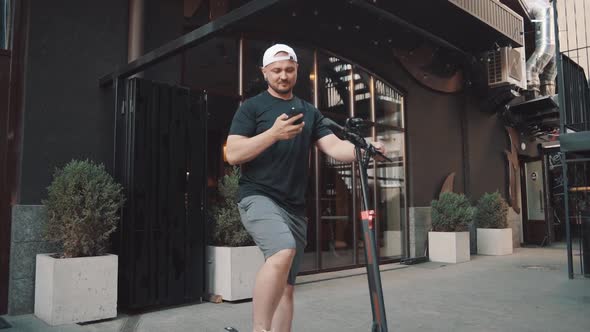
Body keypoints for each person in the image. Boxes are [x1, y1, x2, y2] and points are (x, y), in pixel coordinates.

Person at [225, 43, 385, 332]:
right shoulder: (252, 108)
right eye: (276, 71)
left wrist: (365, 149)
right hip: (258, 196)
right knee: (282, 251)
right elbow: (233, 154)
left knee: (286, 288)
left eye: (288, 69)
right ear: (265, 73)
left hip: (294, 208)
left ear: (297, 70)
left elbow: (334, 146)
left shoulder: (308, 111)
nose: (283, 76)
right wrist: (272, 134)